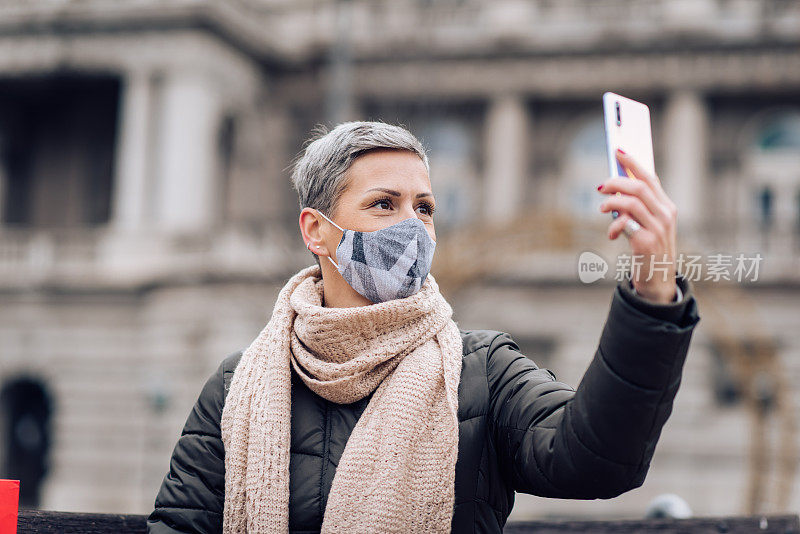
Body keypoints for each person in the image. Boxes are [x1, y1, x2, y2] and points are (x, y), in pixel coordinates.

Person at [147, 121, 700, 533]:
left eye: (426, 207)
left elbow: (594, 462)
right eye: (384, 204)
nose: (413, 226)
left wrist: (652, 293)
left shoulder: (482, 370)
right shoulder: (238, 384)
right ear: (317, 231)